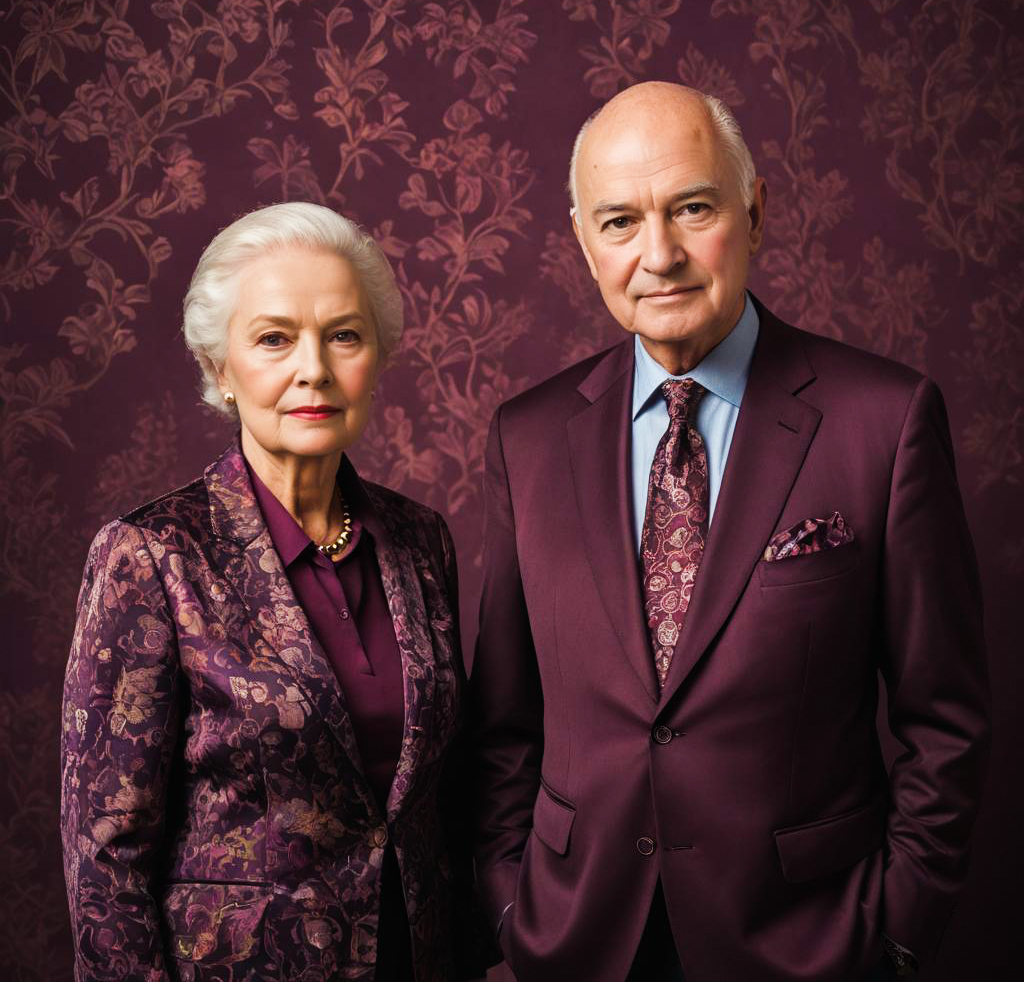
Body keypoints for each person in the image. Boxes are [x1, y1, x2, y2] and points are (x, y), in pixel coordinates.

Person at [469, 83, 989, 981]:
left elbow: (944, 720)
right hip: (574, 943)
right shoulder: (528, 436)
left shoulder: (886, 420)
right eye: (621, 221)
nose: (658, 254)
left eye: (693, 209)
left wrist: (895, 936)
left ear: (754, 213)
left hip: (807, 945)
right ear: (585, 241)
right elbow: (504, 727)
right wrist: (511, 908)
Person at [61, 202, 491, 981]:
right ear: (221, 369)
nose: (314, 368)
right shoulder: (151, 556)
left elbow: (445, 802)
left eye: (343, 336)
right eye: (274, 338)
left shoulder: (421, 540)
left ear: (377, 357)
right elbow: (106, 865)